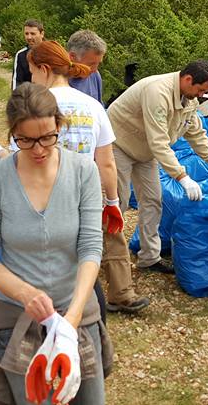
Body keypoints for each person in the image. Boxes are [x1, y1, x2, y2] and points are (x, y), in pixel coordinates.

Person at [0, 83, 110, 404]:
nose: (38, 150)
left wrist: (72, 318)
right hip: (17, 319)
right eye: (25, 140)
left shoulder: (83, 172)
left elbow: (90, 247)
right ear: (12, 134)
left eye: (48, 137)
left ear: (59, 126)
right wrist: (26, 293)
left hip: (77, 310)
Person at [28, 40, 149, 314]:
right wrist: (113, 201)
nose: (31, 78)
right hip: (90, 190)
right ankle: (117, 294)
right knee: (103, 238)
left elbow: (21, 159)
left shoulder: (34, 107)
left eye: (32, 72)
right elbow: (106, 163)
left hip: (48, 195)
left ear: (44, 70)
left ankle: (64, 302)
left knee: (60, 250)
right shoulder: (93, 107)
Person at [107, 60, 208, 274]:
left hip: (145, 150)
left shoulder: (190, 98)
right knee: (117, 202)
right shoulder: (158, 92)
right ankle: (109, 257)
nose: (202, 95)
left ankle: (149, 258)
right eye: (201, 89)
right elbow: (159, 142)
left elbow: (195, 132)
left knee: (153, 201)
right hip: (119, 143)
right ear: (187, 79)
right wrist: (182, 177)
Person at [66, 30, 106, 104]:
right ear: (72, 56)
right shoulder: (56, 78)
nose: (95, 69)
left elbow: (99, 106)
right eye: (90, 64)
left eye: (98, 64)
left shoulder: (95, 75)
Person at [12, 19, 44, 90]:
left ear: (42, 34)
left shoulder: (52, 52)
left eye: (33, 34)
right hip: (29, 97)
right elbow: (17, 81)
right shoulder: (21, 55)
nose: (29, 37)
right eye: (26, 34)